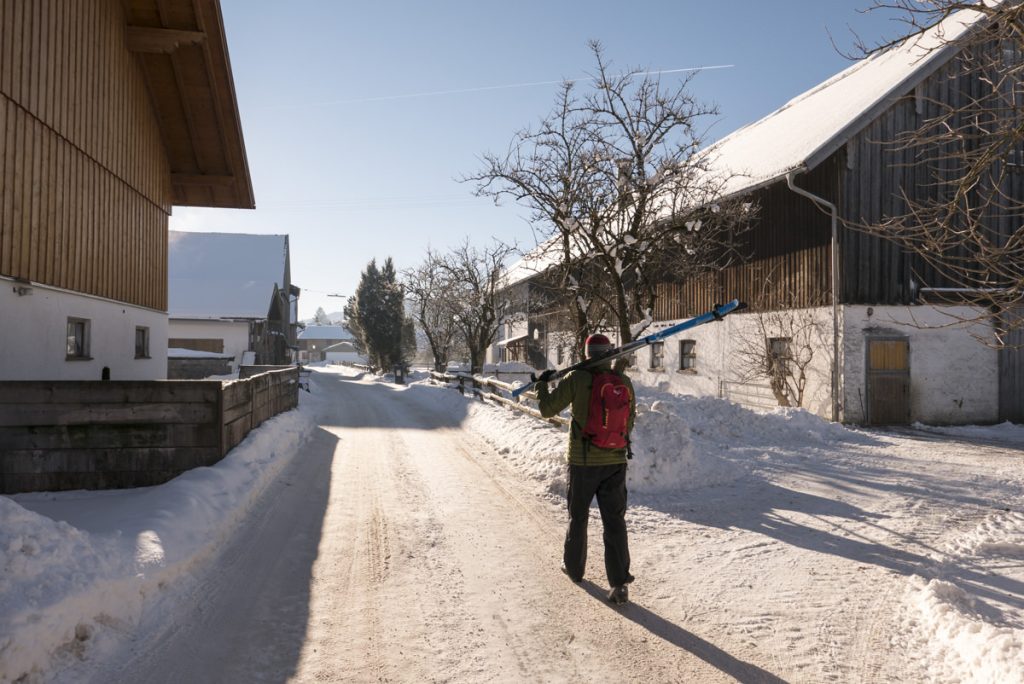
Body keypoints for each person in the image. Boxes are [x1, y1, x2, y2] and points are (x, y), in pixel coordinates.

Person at [535, 333, 637, 604]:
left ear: (587, 354)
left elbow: (547, 410)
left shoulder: (577, 379)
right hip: (616, 462)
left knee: (578, 517)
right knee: (614, 522)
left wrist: (542, 385)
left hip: (583, 462)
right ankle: (619, 583)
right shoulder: (623, 382)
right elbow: (629, 421)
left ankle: (574, 568)